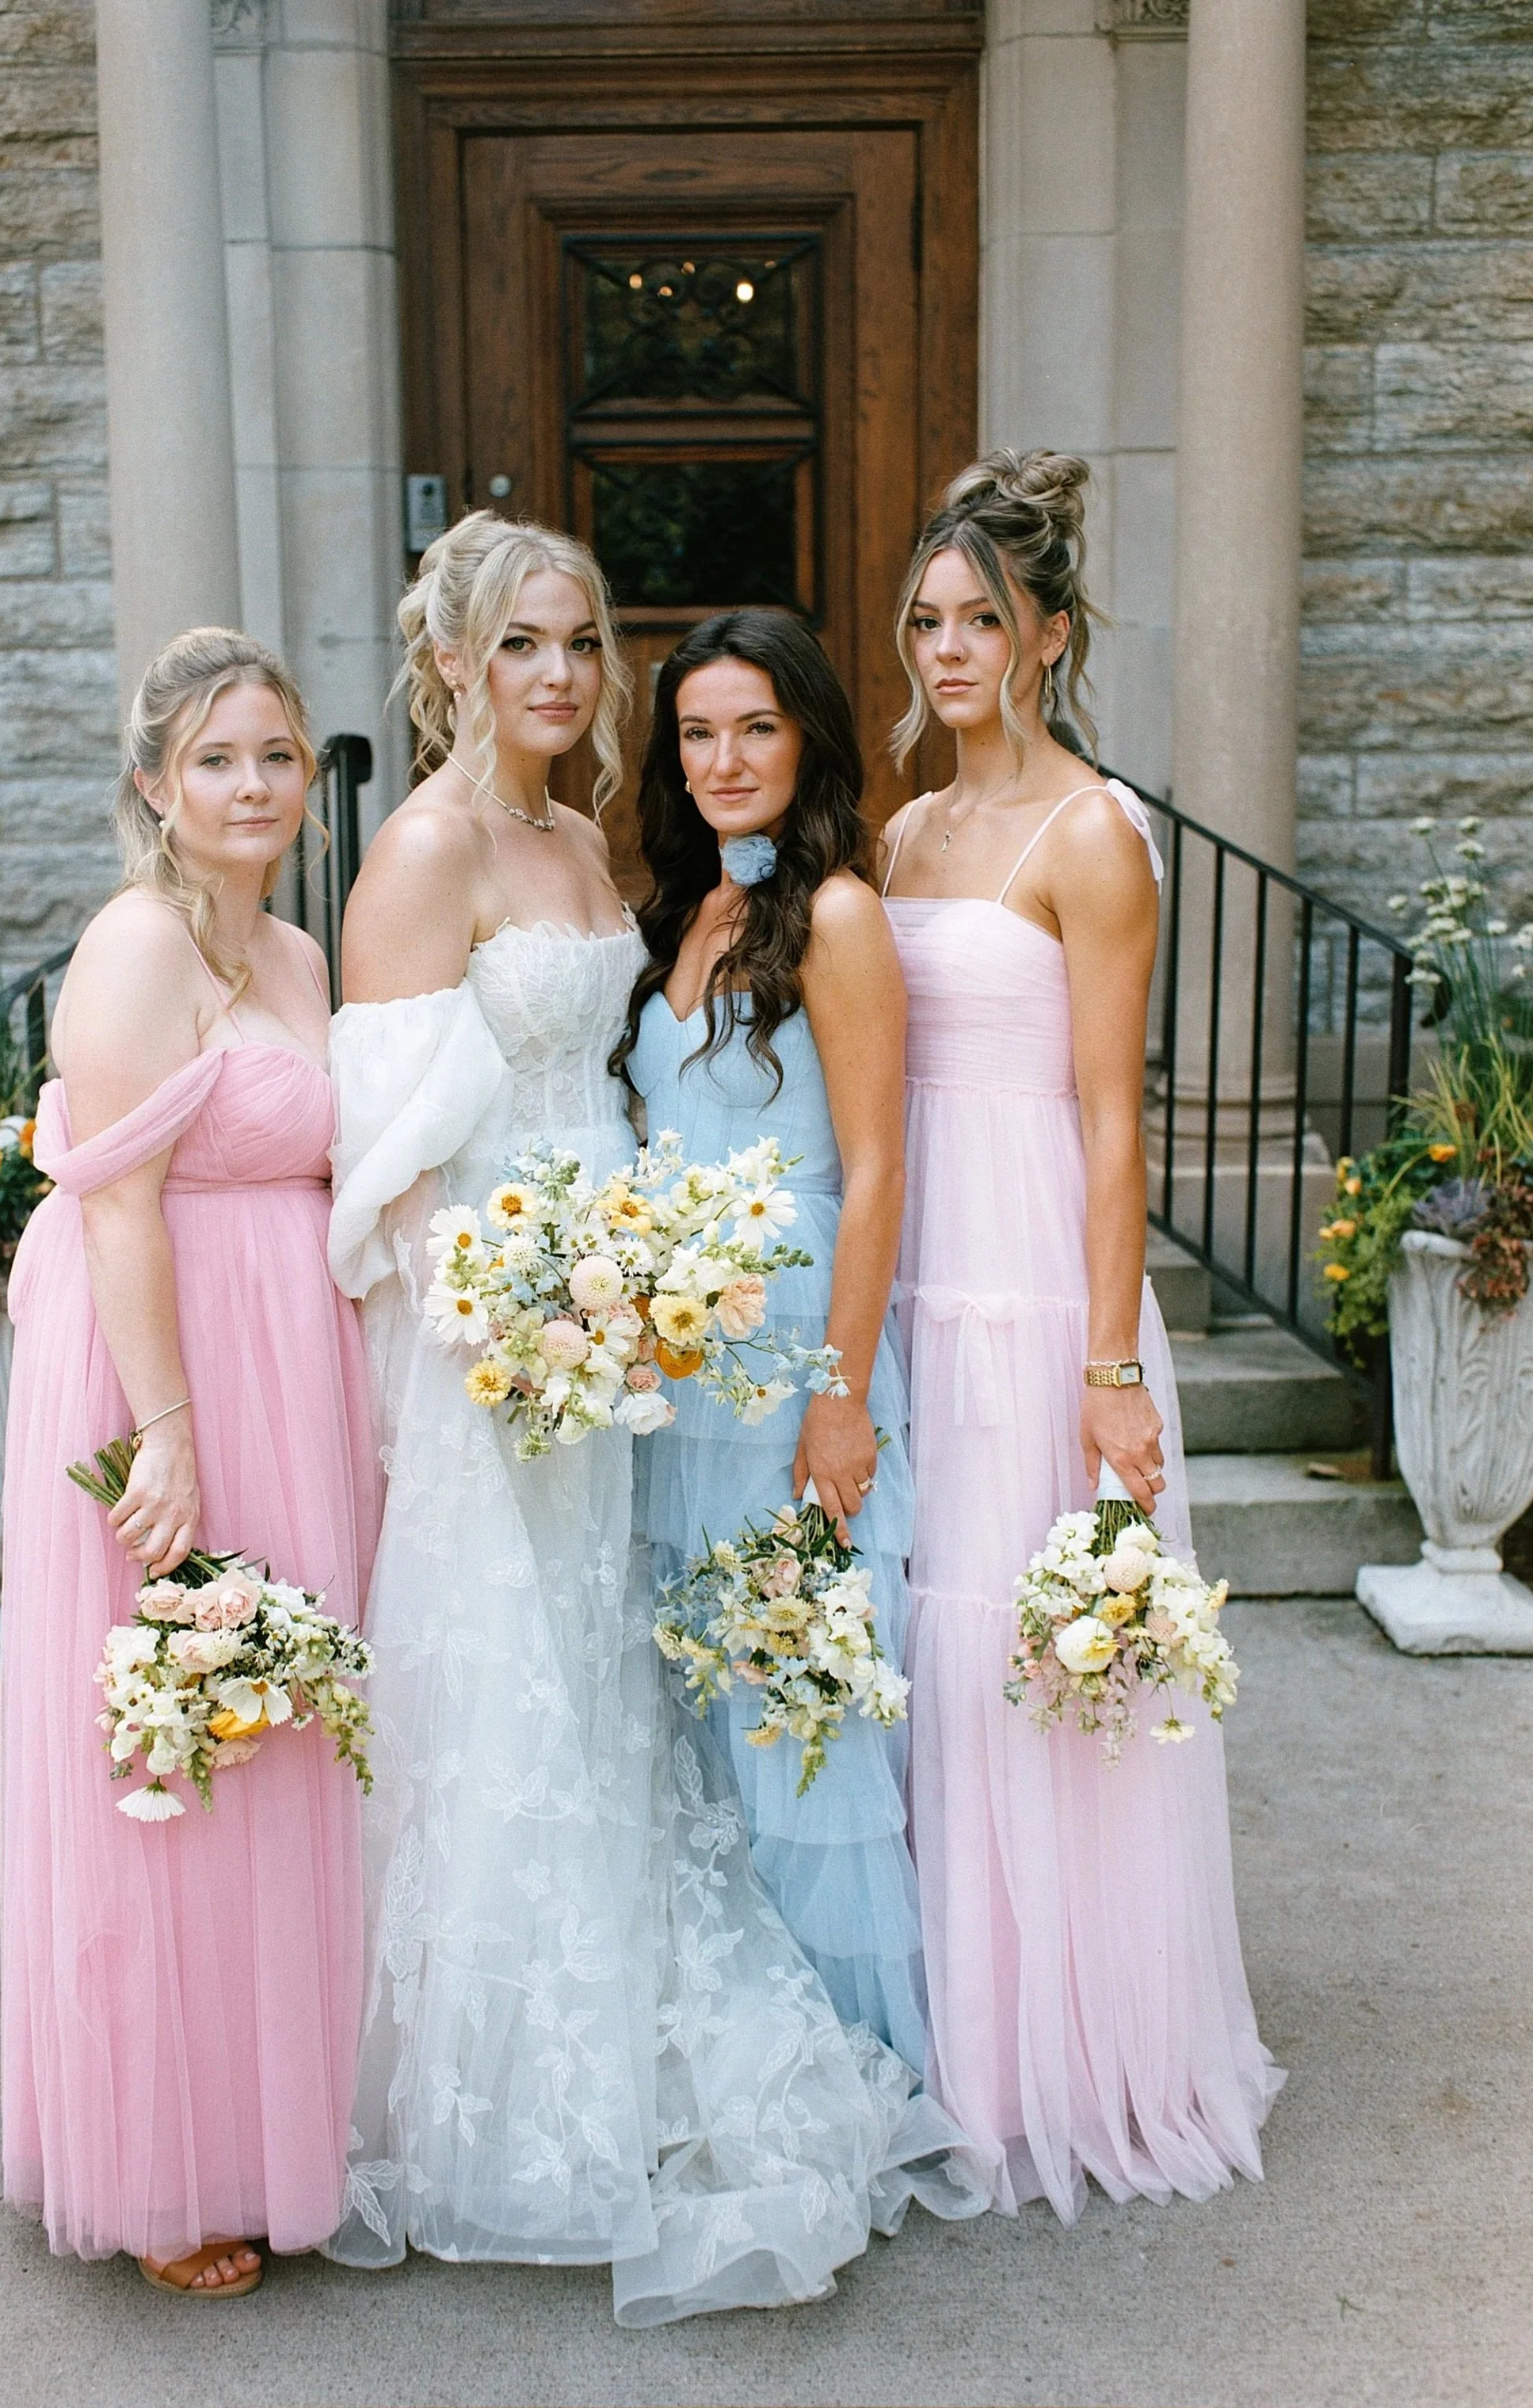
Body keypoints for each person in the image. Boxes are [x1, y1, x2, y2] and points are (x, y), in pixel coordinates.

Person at [323, 511, 985, 2325]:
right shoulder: (431, 853)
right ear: (453, 658)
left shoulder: (595, 853)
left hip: (671, 1349)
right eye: (521, 642)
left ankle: (755, 2036)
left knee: (655, 1702)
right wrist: (518, 1317)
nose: (556, 675)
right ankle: (516, 2085)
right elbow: (380, 1163)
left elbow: (854, 1164)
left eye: (576, 641)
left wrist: (782, 1369)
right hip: (530, 1353)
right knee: (538, 1698)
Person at [879, 450, 1283, 2223]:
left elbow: (1113, 1115)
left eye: (978, 618)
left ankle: (1074, 2041)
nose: (945, 646)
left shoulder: (1092, 832)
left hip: (1038, 1268)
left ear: (1045, 636)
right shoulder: (899, 828)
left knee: (1037, 1631)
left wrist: (1109, 1364)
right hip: (914, 1270)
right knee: (932, 1630)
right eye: (923, 619)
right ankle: (956, 2023)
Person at [0, 628, 379, 2295]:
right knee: (175, 1742)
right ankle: (163, 2161)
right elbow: (117, 1197)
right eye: (217, 757)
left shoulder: (294, 954)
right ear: (156, 781)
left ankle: (283, 2116)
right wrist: (163, 1426)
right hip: (157, 1361)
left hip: (289, 1361)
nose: (252, 785)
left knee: (284, 1729)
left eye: (276, 755)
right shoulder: (135, 944)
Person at [621, 608, 932, 2074]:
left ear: (805, 734)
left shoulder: (842, 916)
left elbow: (875, 1166)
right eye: (696, 731)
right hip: (678, 1373)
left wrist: (842, 1399)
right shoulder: (675, 914)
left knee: (789, 1695)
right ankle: (729, 2042)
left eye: (754, 726)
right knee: (693, 1691)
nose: (724, 757)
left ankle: (847, 2054)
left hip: (792, 1356)